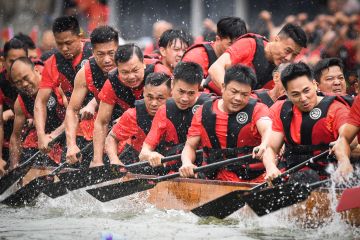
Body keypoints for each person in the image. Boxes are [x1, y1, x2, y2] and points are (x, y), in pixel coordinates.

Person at [179, 65, 272, 182]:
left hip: (253, 181)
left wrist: (264, 145)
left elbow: (268, 129)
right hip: (214, 180)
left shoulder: (258, 109)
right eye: (234, 92)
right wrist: (187, 163)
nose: (238, 98)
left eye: (244, 94)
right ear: (223, 87)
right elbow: (190, 146)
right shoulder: (203, 111)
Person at [263, 62, 353, 182]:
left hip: (329, 177)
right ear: (287, 94)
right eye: (295, 94)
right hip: (294, 176)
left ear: (315, 85)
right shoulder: (282, 109)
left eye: (306, 91)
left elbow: (346, 138)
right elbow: (271, 148)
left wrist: (344, 160)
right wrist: (271, 168)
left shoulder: (336, 108)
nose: (303, 98)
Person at [34, 16, 92, 154]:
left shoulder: (96, 52)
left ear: (80, 36)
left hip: (104, 116)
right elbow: (40, 103)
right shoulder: (52, 63)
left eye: (68, 43)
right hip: (75, 123)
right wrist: (41, 135)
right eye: (59, 44)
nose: (64, 48)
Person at [139, 62, 212, 169]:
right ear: (172, 85)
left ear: (199, 88)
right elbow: (143, 153)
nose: (184, 98)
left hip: (203, 169)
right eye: (181, 91)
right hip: (174, 170)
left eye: (191, 93)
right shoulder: (164, 111)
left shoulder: (210, 108)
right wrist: (151, 155)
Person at [65, 25, 118, 165]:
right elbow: (72, 110)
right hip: (103, 124)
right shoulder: (85, 72)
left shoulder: (130, 66)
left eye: (111, 53)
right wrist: (71, 145)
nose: (107, 60)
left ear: (118, 49)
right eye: (101, 54)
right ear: (93, 52)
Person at [91, 43, 146, 167]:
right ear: (117, 69)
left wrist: (132, 115)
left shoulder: (159, 74)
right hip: (132, 139)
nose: (131, 77)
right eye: (125, 72)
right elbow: (101, 122)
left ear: (143, 63)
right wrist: (97, 160)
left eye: (135, 70)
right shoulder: (112, 83)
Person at [208, 23, 307, 91]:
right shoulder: (250, 44)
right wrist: (228, 92)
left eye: (294, 55)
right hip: (214, 97)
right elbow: (215, 68)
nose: (289, 58)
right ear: (276, 39)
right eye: (287, 50)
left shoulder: (281, 72)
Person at [8, 57, 67, 169]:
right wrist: (14, 167)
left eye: (26, 78)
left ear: (36, 70)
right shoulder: (20, 102)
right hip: (45, 141)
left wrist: (53, 135)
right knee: (28, 159)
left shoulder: (57, 84)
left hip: (69, 132)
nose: (24, 84)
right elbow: (15, 137)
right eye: (18, 82)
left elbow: (74, 115)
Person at [105, 72, 171, 166]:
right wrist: (114, 160)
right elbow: (112, 137)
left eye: (160, 98)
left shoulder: (179, 112)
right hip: (139, 161)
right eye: (149, 97)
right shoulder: (133, 115)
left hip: (170, 161)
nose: (153, 103)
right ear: (144, 92)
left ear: (171, 95)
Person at [182, 17, 247, 95]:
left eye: (238, 44)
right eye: (230, 44)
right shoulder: (196, 56)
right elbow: (185, 88)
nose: (234, 48)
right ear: (218, 39)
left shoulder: (243, 53)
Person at [0, 38, 28, 166]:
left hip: (30, 134)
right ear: (3, 62)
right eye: (12, 61)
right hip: (6, 135)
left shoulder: (38, 74)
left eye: (21, 60)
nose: (16, 66)